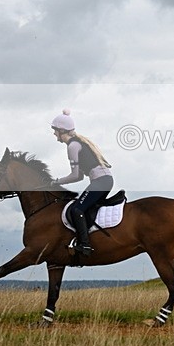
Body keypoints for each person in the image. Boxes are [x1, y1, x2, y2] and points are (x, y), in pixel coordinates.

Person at [51, 109, 113, 257]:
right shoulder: (77, 143)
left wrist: (56, 182)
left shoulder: (72, 146)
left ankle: (85, 245)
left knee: (76, 210)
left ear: (61, 130)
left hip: (101, 181)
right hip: (104, 180)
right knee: (83, 207)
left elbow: (74, 175)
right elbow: (79, 176)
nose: (54, 134)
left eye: (55, 131)